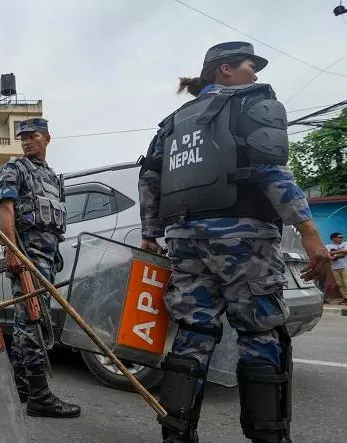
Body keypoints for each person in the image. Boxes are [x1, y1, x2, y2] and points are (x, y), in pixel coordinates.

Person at [138, 42, 332, 443]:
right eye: (249, 65)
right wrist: (310, 233)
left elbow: (149, 180)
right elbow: (271, 169)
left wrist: (150, 233)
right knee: (260, 332)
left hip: (186, 239)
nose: (255, 74)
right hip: (243, 238)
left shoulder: (171, 123)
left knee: (193, 332)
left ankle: (176, 435)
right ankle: (268, 437)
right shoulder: (250, 103)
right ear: (224, 69)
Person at [0, 118, 80, 418]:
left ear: (47, 138)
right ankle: (40, 396)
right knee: (32, 321)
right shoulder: (15, 169)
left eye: (33, 136)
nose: (27, 141)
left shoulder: (54, 179)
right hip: (27, 255)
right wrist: (11, 250)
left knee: (26, 322)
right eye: (23, 137)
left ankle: (21, 387)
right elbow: (6, 209)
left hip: (47, 257)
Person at [326, 232, 347, 304]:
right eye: (339, 237)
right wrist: (340, 254)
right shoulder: (328, 246)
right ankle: (345, 298)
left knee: (346, 282)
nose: (341, 239)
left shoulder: (345, 244)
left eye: (342, 237)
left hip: (345, 266)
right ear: (333, 238)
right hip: (335, 268)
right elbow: (329, 256)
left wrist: (335, 253)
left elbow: (345, 252)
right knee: (340, 284)